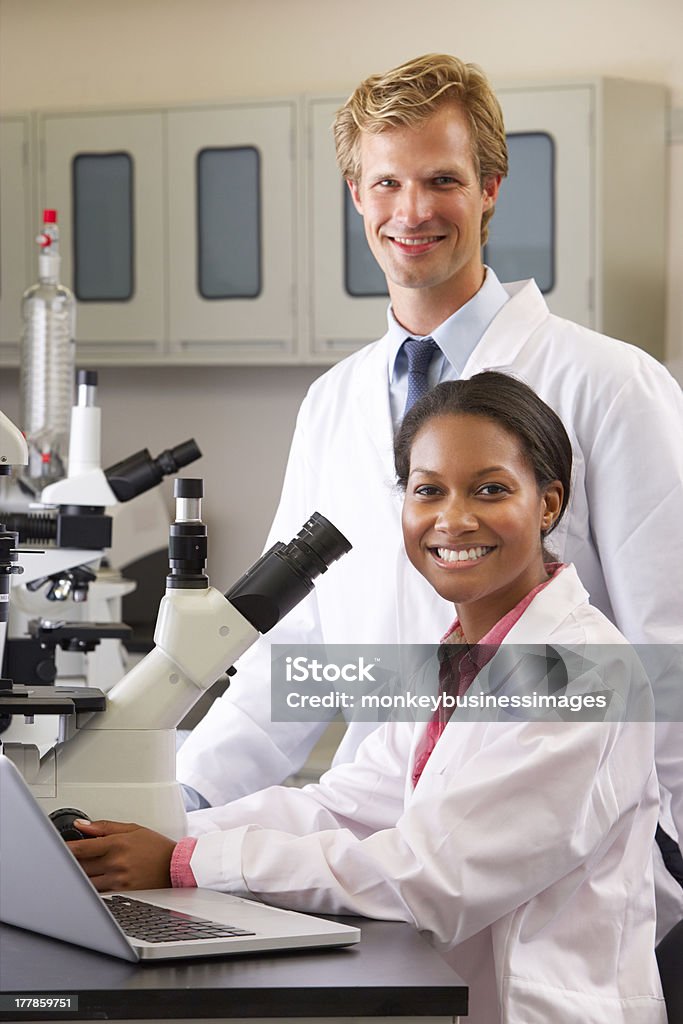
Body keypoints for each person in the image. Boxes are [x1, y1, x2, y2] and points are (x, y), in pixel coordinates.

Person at [175, 53, 683, 932]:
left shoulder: (611, 385)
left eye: (441, 179)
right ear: (355, 194)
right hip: (381, 857)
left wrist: (658, 871)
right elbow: (293, 659)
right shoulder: (333, 401)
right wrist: (175, 807)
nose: (412, 211)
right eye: (387, 183)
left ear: (489, 187)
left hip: (567, 882)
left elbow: (665, 653)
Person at [69, 373, 665, 1024]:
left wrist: (185, 861)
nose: (453, 519)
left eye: (490, 489)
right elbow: (344, 807)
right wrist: (158, 837)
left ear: (547, 505)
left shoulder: (582, 672)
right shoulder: (464, 656)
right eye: (427, 490)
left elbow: (434, 877)